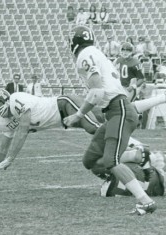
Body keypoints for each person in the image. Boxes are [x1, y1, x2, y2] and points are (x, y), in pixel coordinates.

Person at [0, 88, 166, 187]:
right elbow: (2, 147)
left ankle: (142, 152)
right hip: (65, 118)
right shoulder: (7, 120)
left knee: (96, 129)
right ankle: (162, 98)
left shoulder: (15, 100)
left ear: (4, 100)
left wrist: (11, 159)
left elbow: (23, 130)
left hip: (65, 105)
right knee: (111, 116)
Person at [63, 25, 157, 215]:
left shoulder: (85, 56)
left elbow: (97, 92)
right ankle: (122, 175)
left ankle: (145, 200)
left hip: (119, 110)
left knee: (111, 161)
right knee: (90, 160)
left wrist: (78, 115)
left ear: (74, 42)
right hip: (116, 110)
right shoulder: (96, 53)